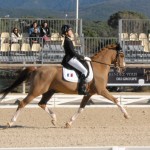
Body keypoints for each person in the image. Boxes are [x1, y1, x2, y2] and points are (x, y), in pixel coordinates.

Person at [61, 24, 91, 95]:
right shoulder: (68, 41)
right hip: (70, 59)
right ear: (66, 32)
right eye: (70, 30)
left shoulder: (68, 40)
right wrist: (83, 57)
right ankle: (81, 89)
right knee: (84, 71)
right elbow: (73, 53)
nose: (71, 32)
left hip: (71, 57)